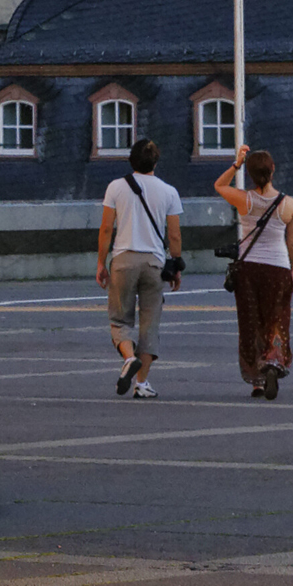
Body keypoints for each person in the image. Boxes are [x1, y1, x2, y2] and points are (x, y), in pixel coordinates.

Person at [95, 139, 182, 399]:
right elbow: (174, 236)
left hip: (123, 259)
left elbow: (107, 228)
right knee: (150, 324)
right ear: (155, 162)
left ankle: (128, 357)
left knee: (119, 319)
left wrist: (102, 262)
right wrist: (175, 265)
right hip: (154, 262)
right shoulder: (169, 191)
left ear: (131, 160)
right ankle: (142, 384)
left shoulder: (115, 187)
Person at [214, 149, 293, 399]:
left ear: (250, 174)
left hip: (250, 268)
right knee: (277, 320)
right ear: (273, 169)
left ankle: (256, 380)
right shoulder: (288, 204)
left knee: (251, 323)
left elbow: (219, 185)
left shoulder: (245, 200)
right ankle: (273, 363)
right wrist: (291, 270)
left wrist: (236, 164)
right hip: (279, 267)